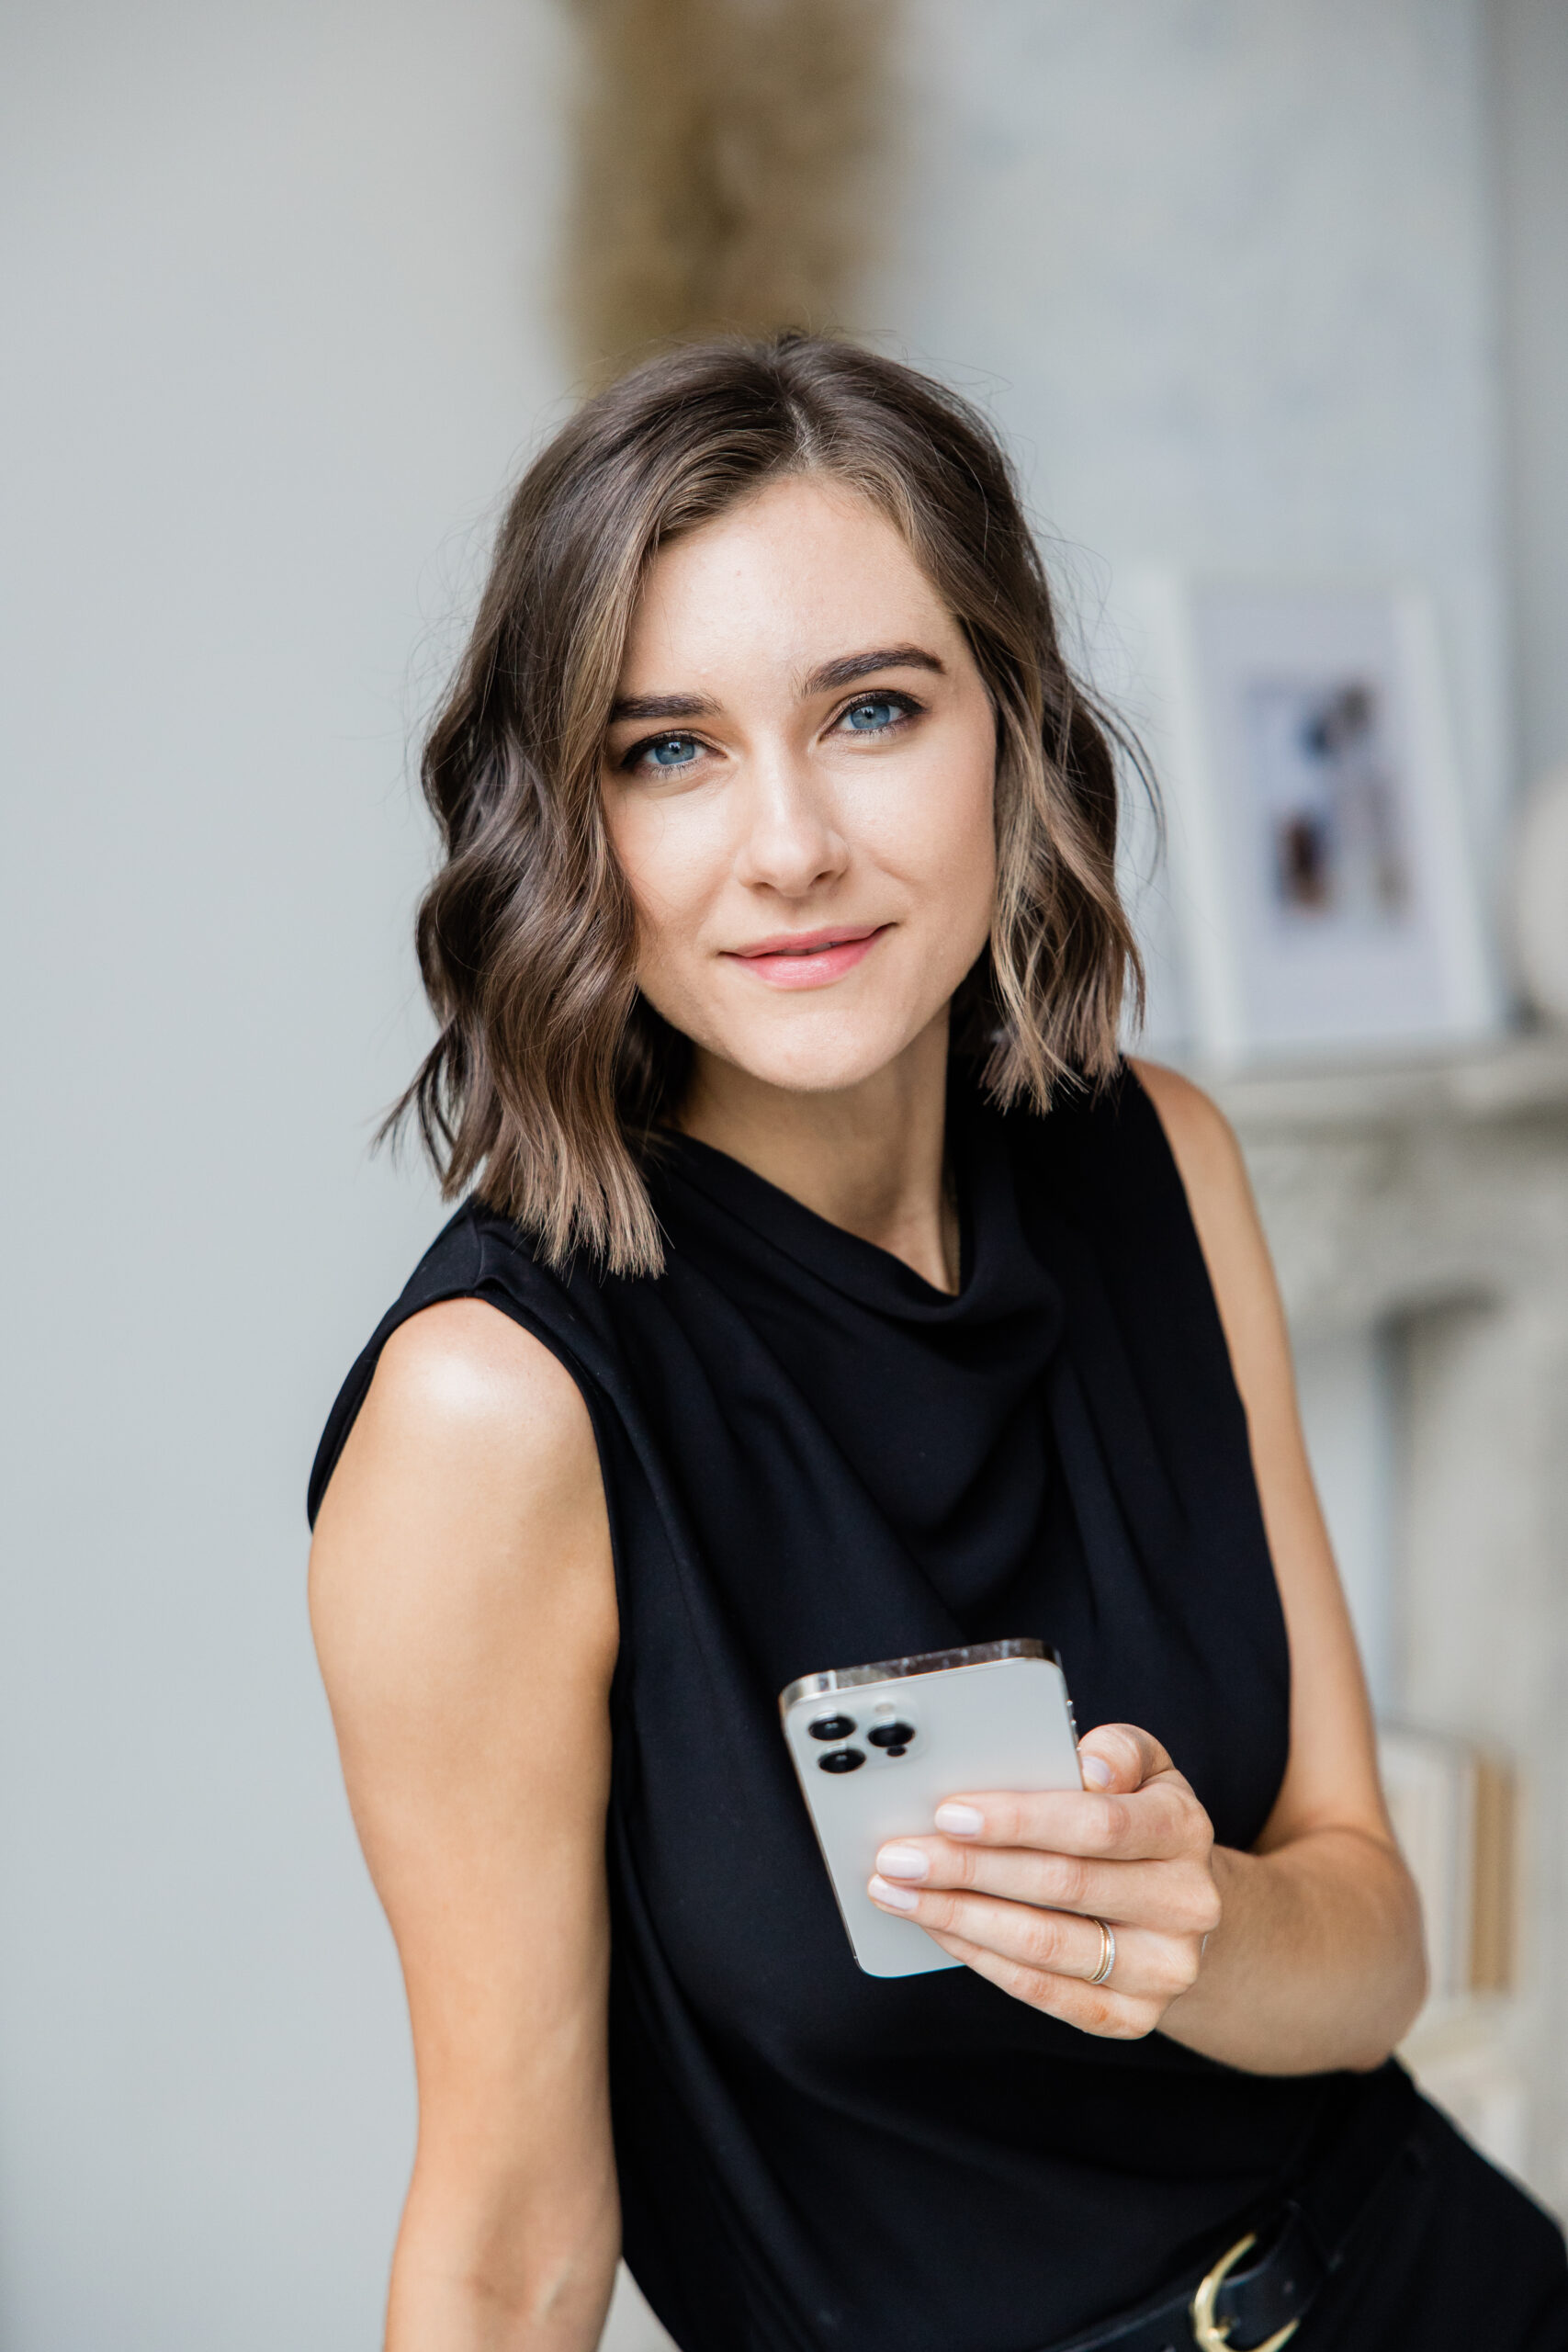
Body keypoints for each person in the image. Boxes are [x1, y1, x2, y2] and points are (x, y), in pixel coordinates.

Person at [306, 335, 1568, 2352]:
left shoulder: (1159, 1158)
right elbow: (508, 2247)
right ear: (572, 822)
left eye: (871, 710)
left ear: (1009, 727)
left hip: (1440, 2283)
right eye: (667, 750)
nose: (789, 843)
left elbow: (1374, 1954)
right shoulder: (498, 1408)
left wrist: (1196, 1921)